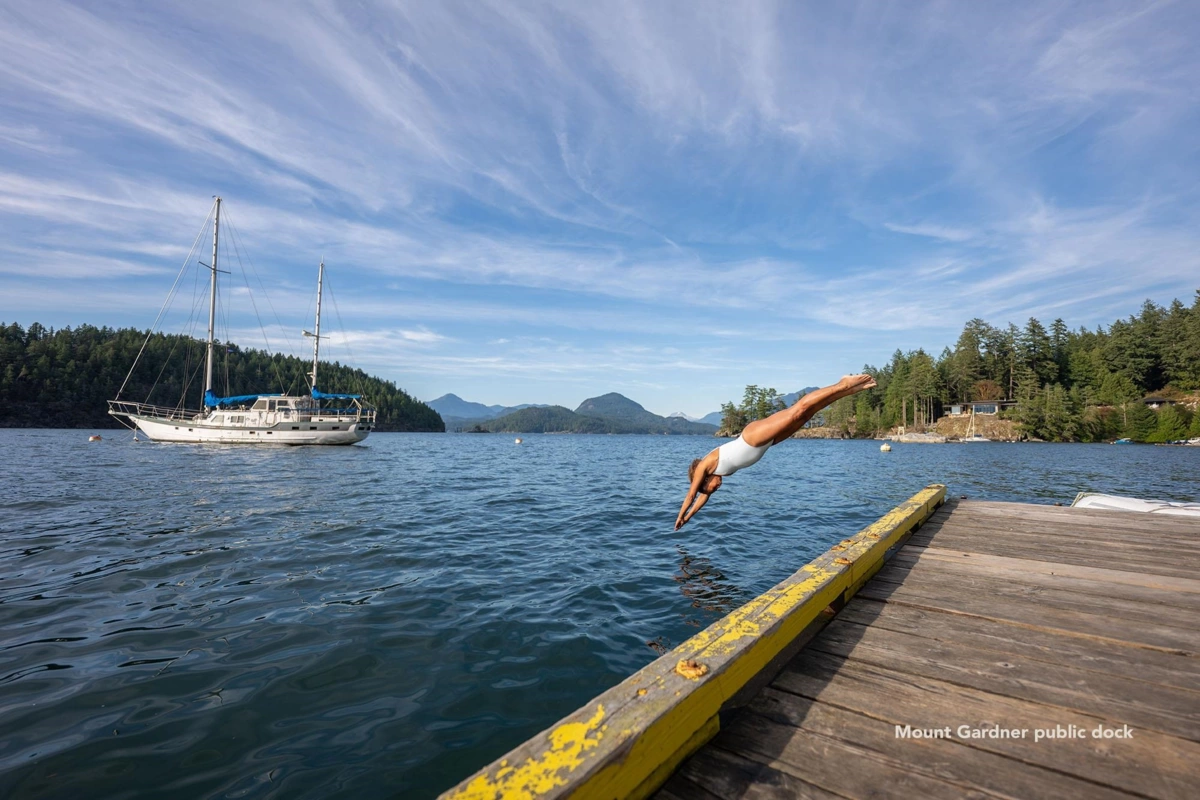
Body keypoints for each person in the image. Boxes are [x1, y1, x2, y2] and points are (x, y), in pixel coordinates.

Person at [675, 374, 878, 530]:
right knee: (807, 415)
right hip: (766, 443)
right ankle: (848, 390)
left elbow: (692, 494)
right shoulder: (716, 474)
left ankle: (842, 384)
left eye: (712, 487)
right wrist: (688, 518)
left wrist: (679, 515)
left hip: (753, 437)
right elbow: (702, 497)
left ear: (704, 479)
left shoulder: (705, 465)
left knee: (798, 410)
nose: (717, 487)